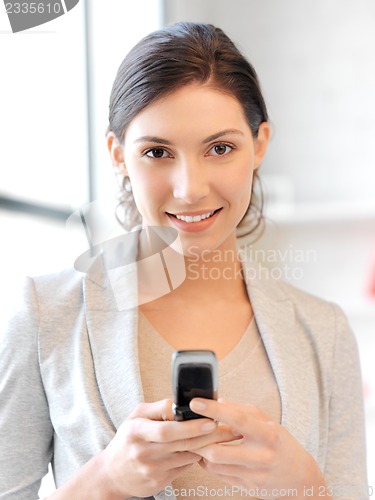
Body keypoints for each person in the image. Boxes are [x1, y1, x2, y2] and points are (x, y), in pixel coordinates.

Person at [0, 22, 368, 500]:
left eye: (220, 148)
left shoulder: (325, 331)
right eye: (157, 151)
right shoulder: (46, 313)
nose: (189, 187)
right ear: (117, 154)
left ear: (259, 144)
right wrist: (105, 481)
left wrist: (307, 487)